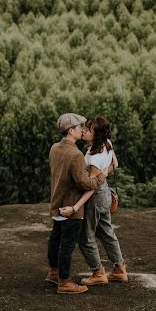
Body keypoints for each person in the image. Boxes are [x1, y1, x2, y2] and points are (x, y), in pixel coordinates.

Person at [60, 116, 128, 285]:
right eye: (84, 127)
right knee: (106, 232)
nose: (83, 130)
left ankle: (98, 273)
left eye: (88, 129)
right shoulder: (107, 144)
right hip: (103, 193)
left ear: (96, 135)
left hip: (95, 196)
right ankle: (119, 270)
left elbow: (91, 186)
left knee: (85, 236)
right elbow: (116, 164)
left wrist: (75, 207)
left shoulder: (96, 157)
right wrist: (105, 173)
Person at [46, 113, 107, 294]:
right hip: (71, 206)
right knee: (67, 244)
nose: (83, 130)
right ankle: (64, 283)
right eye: (80, 127)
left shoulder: (54, 148)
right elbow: (84, 183)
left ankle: (53, 273)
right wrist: (101, 176)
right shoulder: (75, 154)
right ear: (71, 130)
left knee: (55, 238)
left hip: (57, 202)